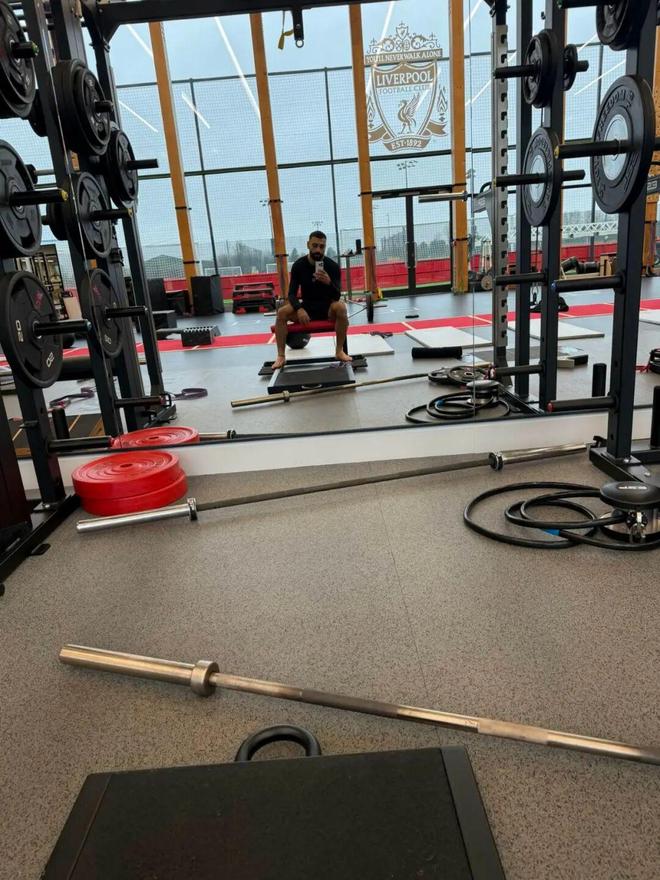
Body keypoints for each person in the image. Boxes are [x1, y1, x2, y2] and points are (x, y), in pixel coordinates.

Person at [272, 230, 351, 370]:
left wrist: (328, 282)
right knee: (282, 312)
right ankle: (281, 356)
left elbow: (337, 296)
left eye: (322, 246)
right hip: (307, 308)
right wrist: (299, 309)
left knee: (341, 307)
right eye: (315, 246)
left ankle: (339, 351)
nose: (318, 250)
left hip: (327, 309)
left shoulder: (332, 266)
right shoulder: (299, 265)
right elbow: (291, 294)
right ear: (308, 245)